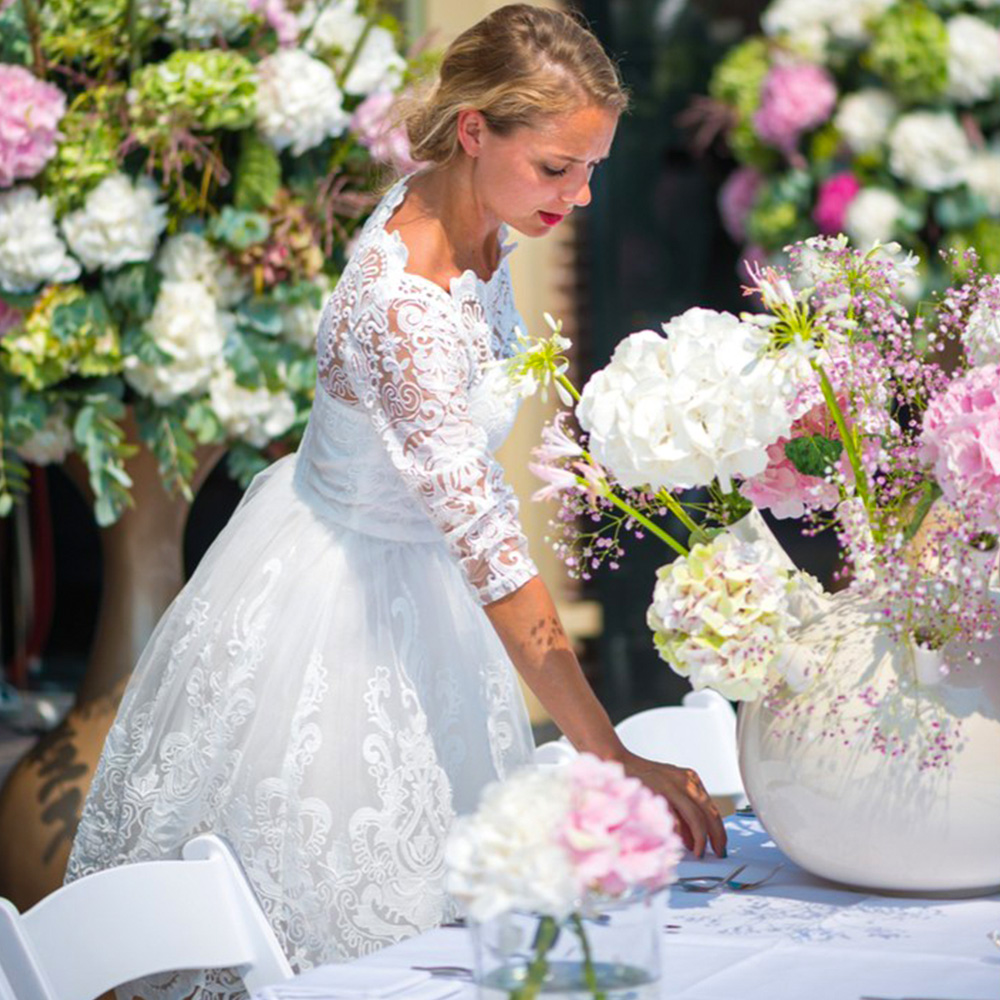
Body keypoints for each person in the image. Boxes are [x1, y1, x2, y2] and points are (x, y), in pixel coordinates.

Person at [67, 4, 726, 995]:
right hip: (340, 609)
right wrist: (610, 754)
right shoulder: (404, 308)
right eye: (558, 167)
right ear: (475, 131)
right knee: (356, 915)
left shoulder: (473, 205)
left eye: (592, 167)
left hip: (421, 576)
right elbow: (494, 553)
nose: (582, 196)